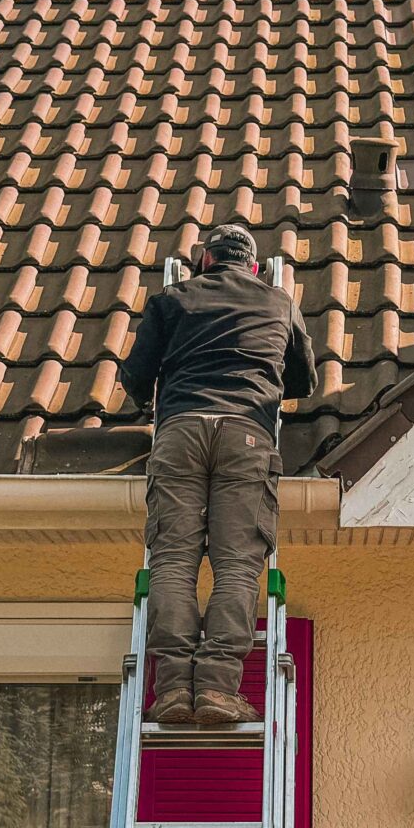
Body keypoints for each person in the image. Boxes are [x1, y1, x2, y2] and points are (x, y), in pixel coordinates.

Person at [119, 223, 317, 727]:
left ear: (205, 260)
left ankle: (171, 692)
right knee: (236, 566)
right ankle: (216, 688)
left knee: (173, 561)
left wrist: (157, 396)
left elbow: (136, 377)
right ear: (253, 266)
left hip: (180, 430)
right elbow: (304, 381)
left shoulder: (171, 299)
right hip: (247, 435)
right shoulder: (279, 303)